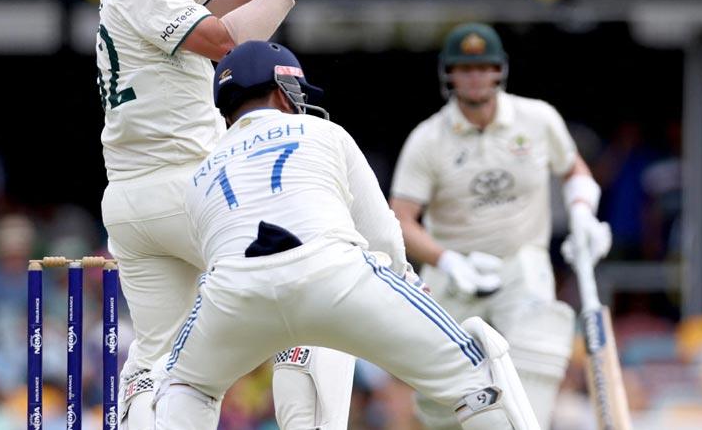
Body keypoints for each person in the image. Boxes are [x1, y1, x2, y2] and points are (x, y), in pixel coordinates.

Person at [153, 40, 543, 430]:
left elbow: (218, 256)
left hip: (233, 295)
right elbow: (382, 233)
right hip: (332, 276)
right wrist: (408, 284)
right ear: (281, 89)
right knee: (477, 370)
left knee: (182, 385)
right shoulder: (323, 132)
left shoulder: (198, 177)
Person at [95, 0, 344, 428]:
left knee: (159, 354)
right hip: (189, 187)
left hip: (133, 205)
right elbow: (226, 41)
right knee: (313, 286)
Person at [388, 23, 613, 430]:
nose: (475, 77)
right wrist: (449, 260)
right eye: (465, 68)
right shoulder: (428, 139)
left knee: (535, 344)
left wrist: (583, 211)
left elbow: (573, 168)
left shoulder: (537, 118)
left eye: (484, 67)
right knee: (439, 399)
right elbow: (400, 220)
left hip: (519, 259)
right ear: (450, 74)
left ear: (499, 71)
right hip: (455, 269)